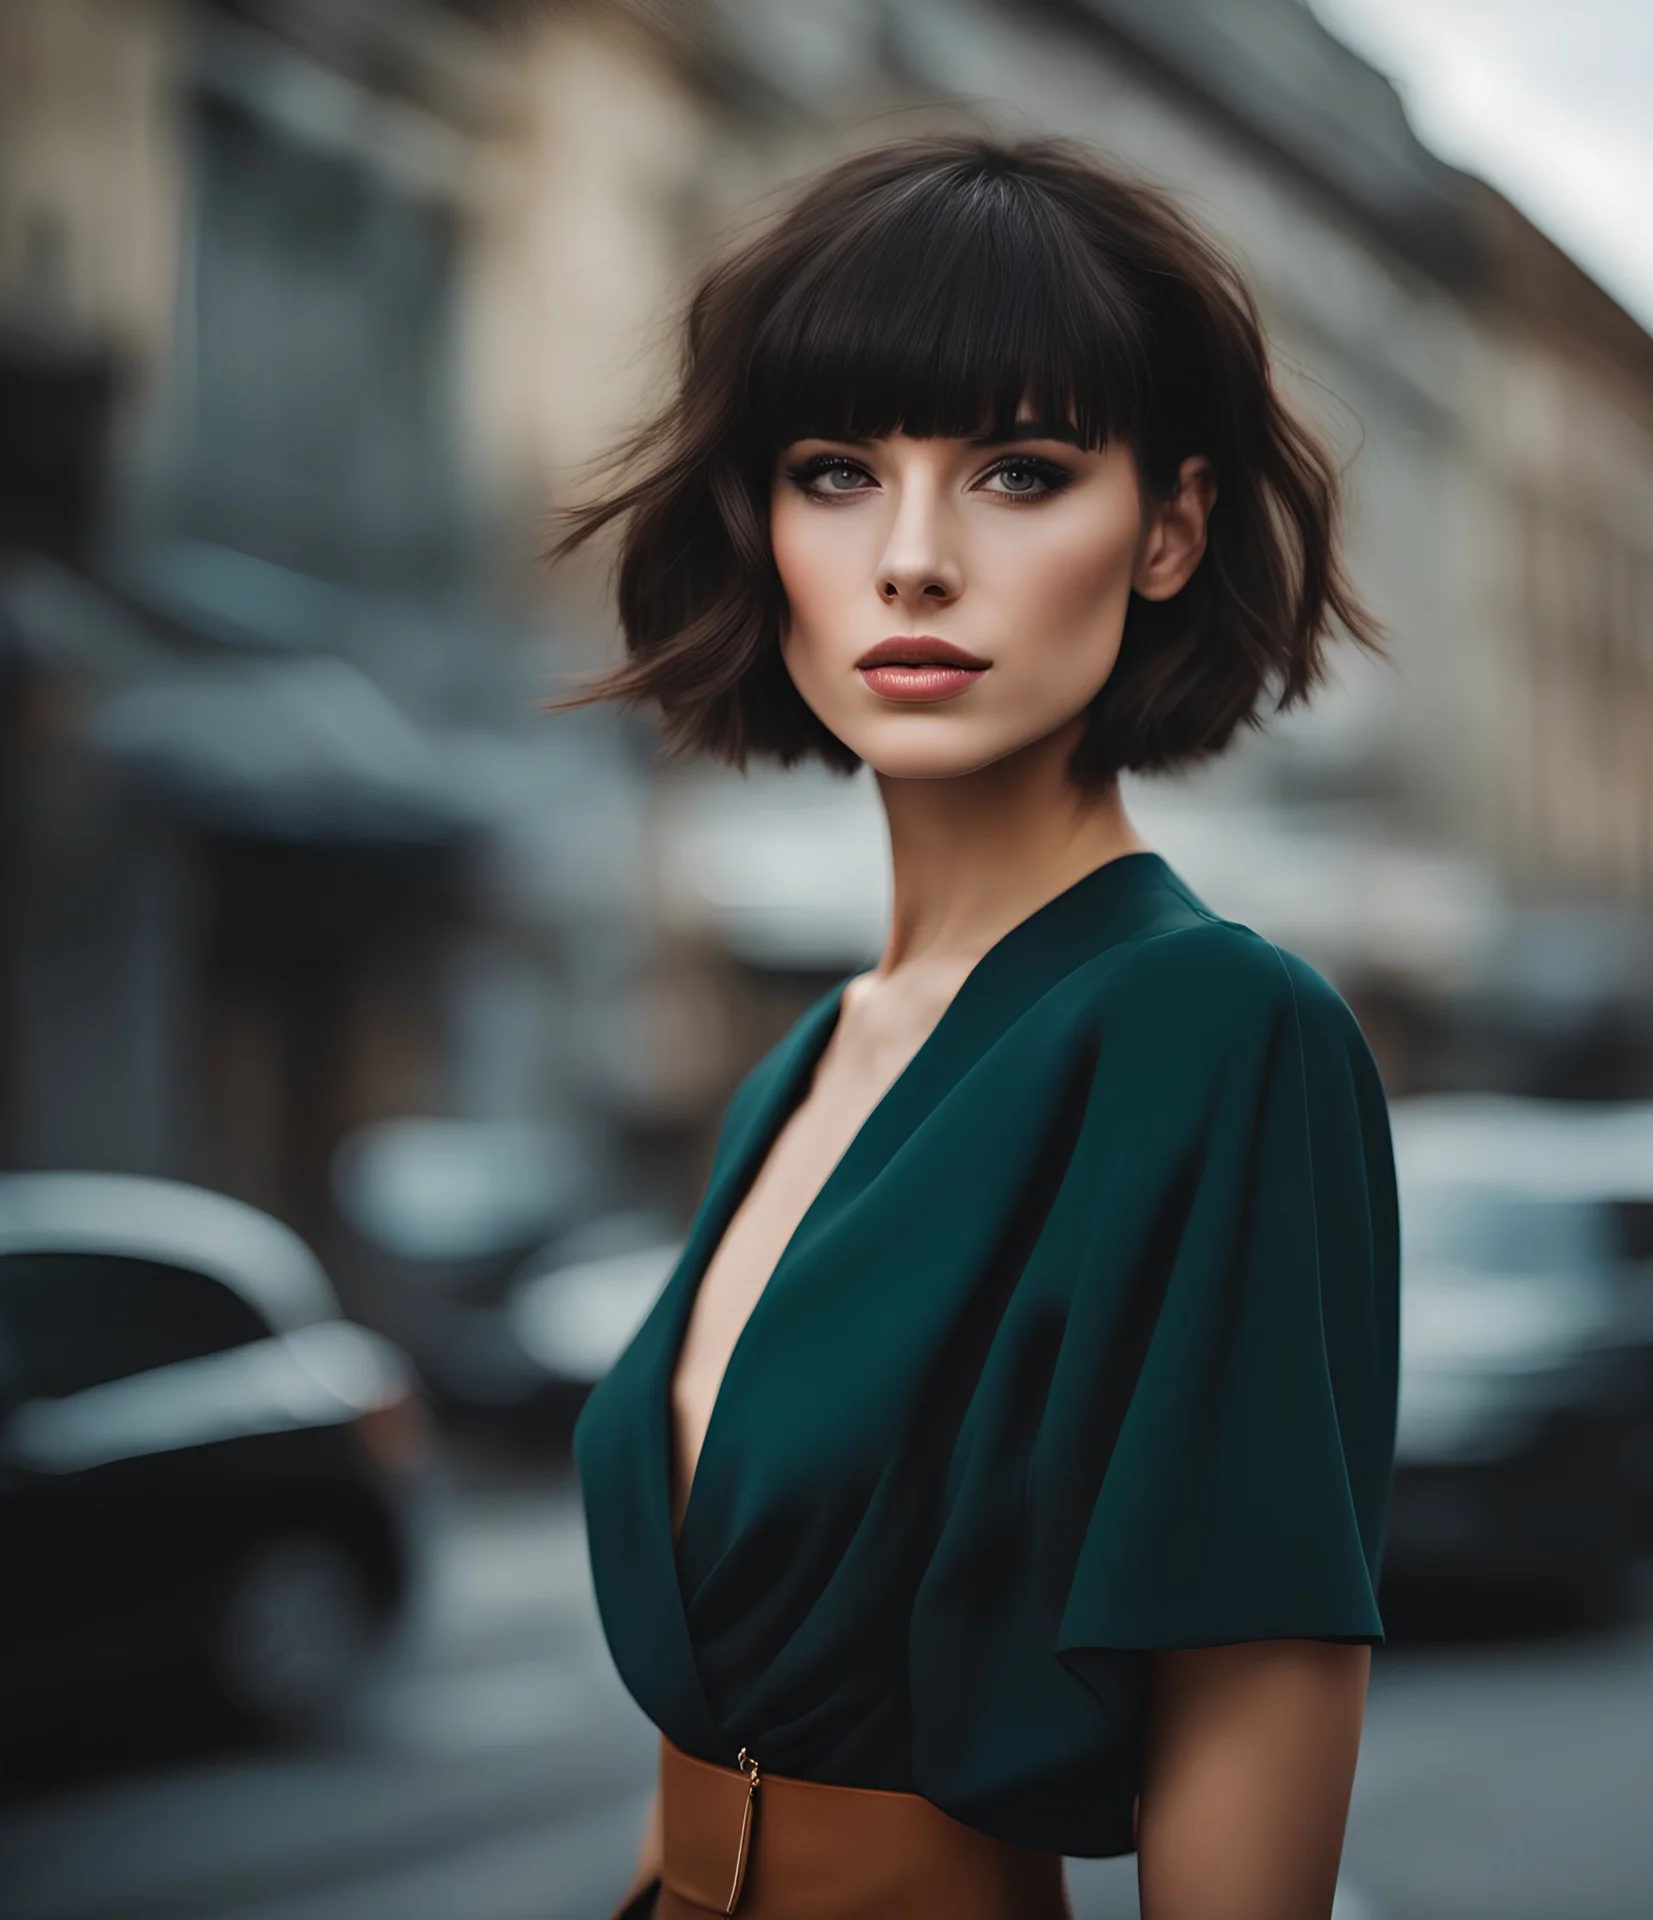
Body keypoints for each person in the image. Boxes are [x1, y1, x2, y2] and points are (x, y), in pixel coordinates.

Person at [560, 133, 1400, 1920]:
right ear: (761, 524)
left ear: (1168, 529)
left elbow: (1250, 1708)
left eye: (1020, 473)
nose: (915, 561)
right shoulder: (811, 1059)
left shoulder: (1223, 1037)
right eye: (836, 472)